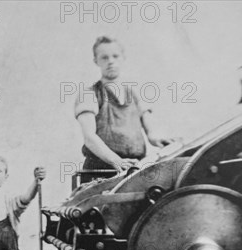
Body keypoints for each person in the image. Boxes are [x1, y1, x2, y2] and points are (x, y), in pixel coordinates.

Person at [75, 36, 175, 173]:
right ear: (95, 61)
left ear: (123, 58)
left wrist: (161, 140)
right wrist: (116, 161)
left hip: (133, 169)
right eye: (104, 57)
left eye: (115, 56)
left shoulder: (135, 94)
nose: (111, 61)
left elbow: (151, 133)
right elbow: (89, 138)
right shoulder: (89, 95)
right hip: (101, 171)